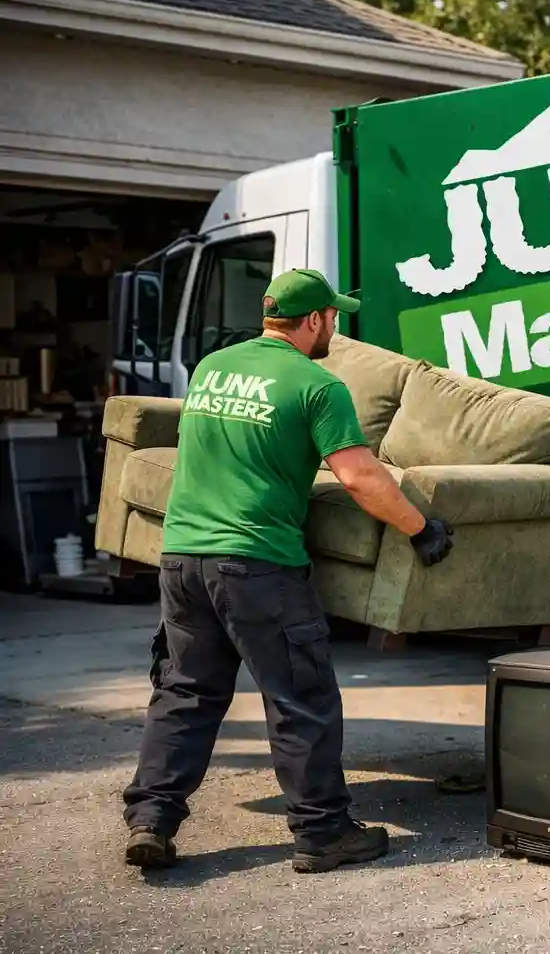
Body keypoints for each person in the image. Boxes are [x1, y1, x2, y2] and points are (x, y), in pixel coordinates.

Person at [122, 268, 456, 874]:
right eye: (333, 316)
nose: (336, 326)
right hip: (257, 565)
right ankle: (324, 832)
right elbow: (359, 477)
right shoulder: (316, 384)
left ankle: (153, 818)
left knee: (186, 690)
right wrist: (420, 528)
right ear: (312, 320)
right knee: (300, 697)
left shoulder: (213, 368)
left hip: (182, 559)